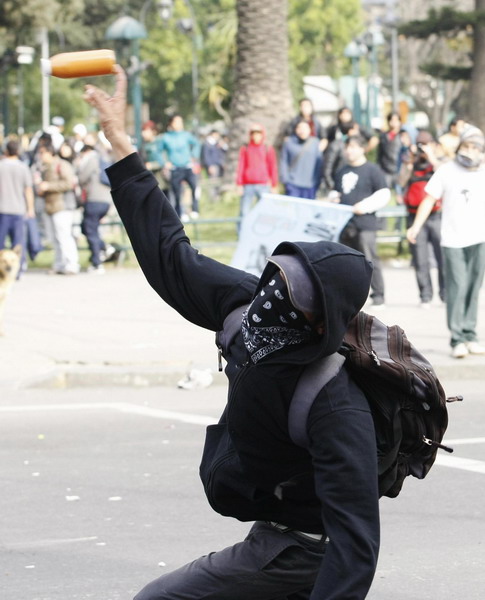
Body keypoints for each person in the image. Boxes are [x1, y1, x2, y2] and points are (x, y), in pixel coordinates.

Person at [85, 65, 380, 600]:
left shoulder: (335, 403)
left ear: (318, 323)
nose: (272, 296)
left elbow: (355, 545)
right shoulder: (248, 303)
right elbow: (171, 256)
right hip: (271, 529)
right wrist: (120, 143)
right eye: (276, 276)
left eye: (291, 295)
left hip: (303, 551)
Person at [407, 125, 485, 359]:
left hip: (479, 238)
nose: (470, 152)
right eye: (467, 146)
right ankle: (457, 338)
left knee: (473, 287)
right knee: (458, 287)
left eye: (475, 148)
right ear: (459, 147)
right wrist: (416, 226)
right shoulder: (446, 171)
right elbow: (429, 200)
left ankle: (470, 334)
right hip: (453, 239)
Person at [332, 135, 391, 308]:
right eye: (347, 147)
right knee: (347, 261)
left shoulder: (373, 170)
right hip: (345, 224)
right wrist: (334, 198)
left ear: (362, 149)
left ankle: (378, 294)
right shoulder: (342, 171)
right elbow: (336, 191)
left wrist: (365, 206)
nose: (349, 151)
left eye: (353, 147)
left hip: (365, 224)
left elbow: (384, 194)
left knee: (370, 259)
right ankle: (350, 296)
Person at [400, 131, 446, 307]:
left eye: (425, 144)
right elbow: (401, 181)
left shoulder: (439, 162)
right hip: (414, 216)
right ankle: (425, 295)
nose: (422, 148)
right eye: (420, 144)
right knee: (420, 258)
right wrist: (409, 164)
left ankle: (445, 295)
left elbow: (443, 174)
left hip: (436, 215)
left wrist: (431, 156)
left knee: (442, 256)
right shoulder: (411, 161)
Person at [35, 140, 80, 275]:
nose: (40, 155)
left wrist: (48, 186)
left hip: (63, 205)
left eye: (42, 153)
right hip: (50, 206)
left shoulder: (61, 165)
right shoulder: (44, 167)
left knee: (64, 236)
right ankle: (60, 264)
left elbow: (68, 183)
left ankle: (71, 264)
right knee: (55, 238)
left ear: (50, 152)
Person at [77, 133, 115, 273]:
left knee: (90, 229)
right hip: (105, 200)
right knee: (87, 227)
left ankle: (97, 262)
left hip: (94, 200)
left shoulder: (91, 159)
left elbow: (82, 178)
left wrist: (79, 166)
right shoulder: (103, 158)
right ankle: (104, 247)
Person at [159, 114, 201, 221]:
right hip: (175, 169)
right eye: (177, 122)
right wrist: (164, 162)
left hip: (187, 166)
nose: (179, 124)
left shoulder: (186, 135)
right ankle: (180, 213)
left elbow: (197, 144)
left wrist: (193, 156)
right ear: (171, 123)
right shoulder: (166, 137)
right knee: (177, 193)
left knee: (194, 187)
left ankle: (195, 209)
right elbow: (158, 151)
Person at [236, 123, 278, 225]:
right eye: (253, 133)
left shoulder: (268, 148)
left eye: (258, 133)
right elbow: (241, 166)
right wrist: (239, 184)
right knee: (244, 212)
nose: (256, 135)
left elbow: (272, 167)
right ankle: (242, 234)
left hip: (263, 184)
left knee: (264, 211)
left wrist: (274, 184)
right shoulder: (245, 148)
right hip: (248, 185)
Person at [0, 140, 35, 262]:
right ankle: (18, 268)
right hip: (18, 209)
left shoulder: (1, 166)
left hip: (2, 208)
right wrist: (30, 208)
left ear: (6, 151)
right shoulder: (23, 167)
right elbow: (28, 190)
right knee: (18, 243)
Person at [279, 120, 322, 199]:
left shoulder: (315, 142)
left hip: (310, 186)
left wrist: (317, 182)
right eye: (300, 128)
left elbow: (319, 164)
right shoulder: (288, 142)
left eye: (305, 128)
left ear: (310, 130)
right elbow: (283, 161)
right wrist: (285, 180)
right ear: (296, 129)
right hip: (292, 184)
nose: (302, 130)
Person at [323, 120, 361, 191]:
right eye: (355, 129)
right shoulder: (336, 145)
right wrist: (332, 187)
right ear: (350, 131)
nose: (358, 132)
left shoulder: (358, 146)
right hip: (338, 185)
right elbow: (327, 168)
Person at [377, 112, 403, 191]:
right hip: (385, 169)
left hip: (400, 169)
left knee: (400, 195)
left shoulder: (403, 135)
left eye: (396, 120)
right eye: (392, 120)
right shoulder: (383, 136)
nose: (394, 122)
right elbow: (380, 153)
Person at [201, 129, 226, 202]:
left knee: (218, 183)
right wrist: (209, 166)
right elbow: (206, 156)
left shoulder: (217, 144)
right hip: (212, 166)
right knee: (212, 183)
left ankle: (217, 198)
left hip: (218, 165)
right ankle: (212, 200)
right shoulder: (207, 144)